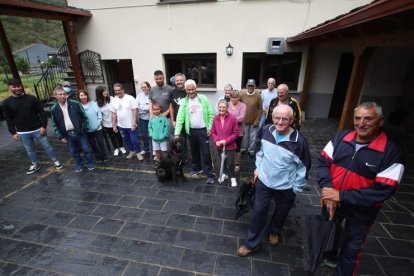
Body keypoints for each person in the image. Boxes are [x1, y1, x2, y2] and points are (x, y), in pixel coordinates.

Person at [317, 102, 405, 275]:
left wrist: (341, 196)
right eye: (357, 118)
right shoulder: (341, 138)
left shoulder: (391, 152)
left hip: (361, 213)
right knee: (329, 237)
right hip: (332, 203)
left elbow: (383, 190)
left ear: (380, 121)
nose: (361, 123)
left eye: (368, 119)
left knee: (351, 252)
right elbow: (322, 163)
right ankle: (330, 257)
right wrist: (328, 190)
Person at [237, 104, 311, 257]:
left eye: (285, 119)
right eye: (277, 117)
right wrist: (258, 170)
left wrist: (296, 188)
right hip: (264, 182)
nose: (280, 122)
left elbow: (304, 168)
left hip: (286, 187)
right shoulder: (266, 130)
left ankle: (275, 230)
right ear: (272, 117)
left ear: (292, 120)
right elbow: (260, 152)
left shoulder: (299, 142)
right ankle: (252, 243)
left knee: (281, 212)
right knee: (258, 212)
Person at [3, 79, 62, 174]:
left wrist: (43, 126)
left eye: (18, 86)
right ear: (9, 88)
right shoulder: (7, 103)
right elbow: (8, 119)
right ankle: (35, 164)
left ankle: (55, 161)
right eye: (14, 87)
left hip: (38, 129)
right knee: (29, 150)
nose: (17, 88)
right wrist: (13, 132)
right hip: (22, 132)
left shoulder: (32, 98)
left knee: (47, 146)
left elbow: (41, 112)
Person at [174, 79, 215, 184]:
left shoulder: (203, 99)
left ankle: (210, 173)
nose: (191, 91)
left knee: (206, 152)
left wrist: (209, 128)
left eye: (192, 89)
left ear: (196, 88)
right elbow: (180, 118)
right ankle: (197, 168)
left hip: (203, 130)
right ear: (185, 89)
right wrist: (177, 133)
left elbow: (210, 114)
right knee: (194, 151)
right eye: (188, 89)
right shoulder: (184, 102)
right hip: (191, 131)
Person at [51, 86, 95, 172]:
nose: (63, 96)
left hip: (80, 132)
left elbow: (84, 117)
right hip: (67, 135)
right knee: (74, 152)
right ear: (56, 96)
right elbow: (54, 124)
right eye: (60, 94)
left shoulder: (75, 104)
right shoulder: (54, 109)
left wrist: (84, 128)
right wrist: (60, 136)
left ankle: (89, 163)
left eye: (64, 94)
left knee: (86, 149)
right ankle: (79, 164)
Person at [110, 83, 144, 161]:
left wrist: (134, 123)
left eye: (119, 90)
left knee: (134, 140)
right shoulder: (114, 100)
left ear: (123, 90)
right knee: (127, 141)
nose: (118, 92)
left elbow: (135, 110)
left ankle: (138, 152)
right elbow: (113, 114)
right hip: (121, 126)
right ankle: (132, 151)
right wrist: (114, 125)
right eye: (116, 90)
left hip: (131, 125)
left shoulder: (130, 98)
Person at [210, 99, 240, 187]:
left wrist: (226, 141)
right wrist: (216, 140)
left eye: (223, 107)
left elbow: (236, 133)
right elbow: (213, 132)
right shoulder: (215, 118)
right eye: (220, 107)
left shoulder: (232, 118)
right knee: (222, 161)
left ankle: (233, 178)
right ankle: (224, 174)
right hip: (219, 145)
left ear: (227, 108)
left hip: (229, 146)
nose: (221, 109)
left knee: (230, 163)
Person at [78, 89, 108, 163]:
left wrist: (97, 125)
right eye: (81, 95)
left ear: (87, 96)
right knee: (93, 144)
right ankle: (97, 156)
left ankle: (104, 156)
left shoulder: (93, 104)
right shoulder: (78, 106)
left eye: (84, 95)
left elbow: (99, 115)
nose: (83, 97)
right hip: (88, 130)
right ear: (79, 97)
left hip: (97, 128)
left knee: (100, 143)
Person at [95, 86, 126, 156]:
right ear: (99, 93)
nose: (105, 92)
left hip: (116, 122)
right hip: (106, 123)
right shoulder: (97, 103)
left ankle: (121, 147)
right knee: (112, 136)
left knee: (118, 135)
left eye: (106, 90)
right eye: (103, 91)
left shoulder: (112, 99)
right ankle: (115, 148)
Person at [169, 73, 189, 160]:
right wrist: (172, 120)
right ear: (175, 82)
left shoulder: (189, 91)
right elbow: (171, 107)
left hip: (189, 121)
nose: (179, 82)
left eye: (181, 80)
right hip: (178, 122)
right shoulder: (172, 92)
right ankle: (184, 157)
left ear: (184, 81)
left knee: (191, 140)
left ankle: (194, 157)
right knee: (181, 140)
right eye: (177, 80)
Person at [240, 79, 262, 157]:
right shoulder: (242, 94)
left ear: (254, 86)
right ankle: (243, 149)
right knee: (244, 137)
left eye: (252, 86)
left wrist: (257, 121)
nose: (250, 87)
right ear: (246, 86)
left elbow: (260, 109)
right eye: (249, 85)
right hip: (244, 121)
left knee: (253, 137)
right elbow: (238, 106)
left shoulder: (258, 95)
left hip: (254, 121)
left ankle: (251, 150)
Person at [227, 89, 246, 172]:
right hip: (228, 131)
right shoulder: (227, 104)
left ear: (238, 98)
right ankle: (229, 163)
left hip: (239, 131)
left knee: (237, 148)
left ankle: (237, 164)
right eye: (232, 97)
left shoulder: (243, 105)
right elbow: (223, 114)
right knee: (228, 148)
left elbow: (241, 118)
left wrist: (230, 119)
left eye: (235, 98)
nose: (233, 99)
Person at [149, 102, 170, 168]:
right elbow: (149, 127)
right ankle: (158, 161)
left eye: (157, 109)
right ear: (152, 110)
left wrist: (165, 135)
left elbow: (167, 126)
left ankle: (165, 162)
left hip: (162, 138)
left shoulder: (164, 118)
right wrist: (151, 134)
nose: (156, 111)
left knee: (164, 150)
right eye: (154, 109)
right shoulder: (151, 119)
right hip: (154, 138)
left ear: (160, 109)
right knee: (157, 150)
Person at [136, 81, 151, 155]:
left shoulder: (152, 94)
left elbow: (153, 106)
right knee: (144, 135)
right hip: (142, 119)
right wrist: (144, 108)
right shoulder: (139, 95)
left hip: (151, 118)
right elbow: (136, 105)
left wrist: (144, 108)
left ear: (149, 87)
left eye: (145, 87)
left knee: (152, 134)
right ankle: (146, 149)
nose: (143, 88)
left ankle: (155, 150)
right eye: (142, 87)